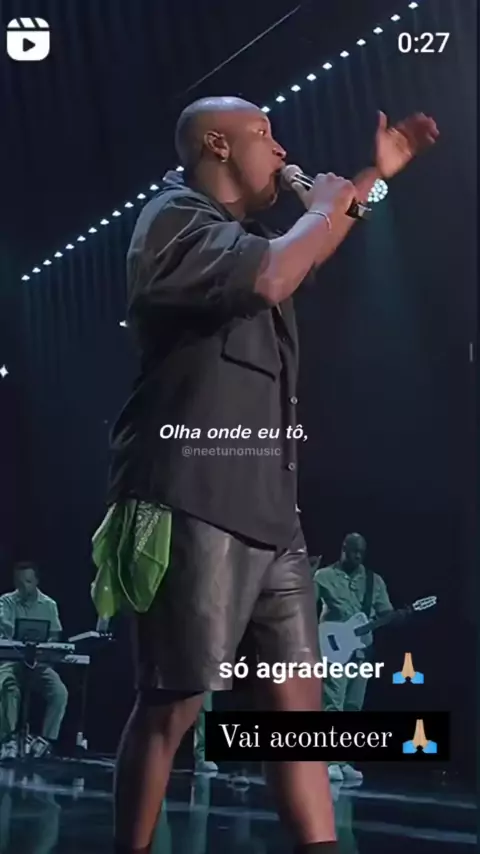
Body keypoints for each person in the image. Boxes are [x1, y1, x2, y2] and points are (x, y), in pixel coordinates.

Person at [91, 95, 438, 854]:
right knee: (176, 702)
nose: (281, 149)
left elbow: (317, 241)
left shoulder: (250, 239)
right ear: (217, 144)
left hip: (271, 512)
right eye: (264, 134)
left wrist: (375, 179)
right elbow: (278, 273)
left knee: (296, 711)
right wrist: (322, 206)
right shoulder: (173, 220)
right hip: (194, 495)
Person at [313, 534, 393, 784]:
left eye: (361, 552)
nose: (357, 556)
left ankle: (345, 760)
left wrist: (397, 616)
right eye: (353, 551)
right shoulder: (323, 576)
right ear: (343, 549)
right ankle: (330, 762)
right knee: (332, 704)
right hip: (333, 649)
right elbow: (304, 607)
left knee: (353, 707)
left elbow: (385, 611)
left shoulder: (373, 581)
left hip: (360, 652)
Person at [0, 562, 68, 760]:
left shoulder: (49, 604)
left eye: (28, 582)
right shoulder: (6, 602)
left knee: (59, 692)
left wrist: (45, 648)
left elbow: (55, 636)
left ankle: (45, 740)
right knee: (8, 687)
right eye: (19, 582)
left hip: (39, 664)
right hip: (11, 662)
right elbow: (5, 628)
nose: (24, 587)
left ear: (37, 581)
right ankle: (8, 739)